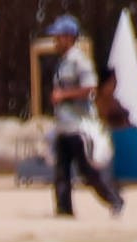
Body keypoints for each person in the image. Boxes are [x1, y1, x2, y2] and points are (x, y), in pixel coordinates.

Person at [47, 15, 122, 217]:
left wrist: (64, 95)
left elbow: (90, 88)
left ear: (70, 37)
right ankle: (64, 210)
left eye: (59, 36)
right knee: (61, 172)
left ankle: (114, 200)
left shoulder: (80, 61)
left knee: (87, 171)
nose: (55, 41)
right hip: (64, 125)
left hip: (79, 126)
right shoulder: (62, 63)